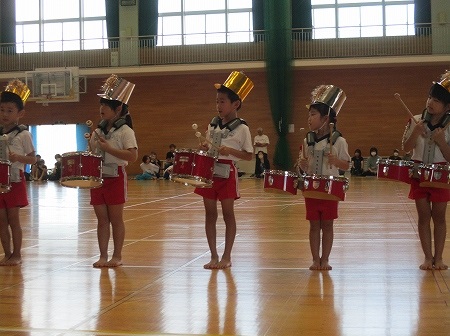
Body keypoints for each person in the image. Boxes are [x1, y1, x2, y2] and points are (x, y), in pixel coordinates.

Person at [194, 71, 254, 269]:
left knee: (228, 214)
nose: (218, 106)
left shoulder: (242, 128)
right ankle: (213, 255)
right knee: (210, 214)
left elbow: (249, 155)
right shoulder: (213, 125)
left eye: (222, 102)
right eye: (217, 102)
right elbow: (209, 146)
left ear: (235, 104)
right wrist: (205, 147)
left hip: (227, 173)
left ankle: (227, 256)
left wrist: (231, 151)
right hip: (209, 172)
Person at [297, 85, 350, 270]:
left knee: (327, 225)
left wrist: (336, 161)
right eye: (309, 115)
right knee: (313, 225)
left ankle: (325, 259)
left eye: (313, 114)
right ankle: (314, 259)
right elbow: (303, 165)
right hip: (312, 189)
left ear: (325, 118)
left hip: (329, 189)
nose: (309, 118)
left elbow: (348, 165)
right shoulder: (307, 140)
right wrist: (302, 167)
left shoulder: (339, 141)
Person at [402, 70, 450, 270]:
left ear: (447, 107)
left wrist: (441, 142)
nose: (431, 102)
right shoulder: (415, 119)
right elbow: (405, 147)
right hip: (418, 172)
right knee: (423, 216)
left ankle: (439, 258)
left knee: (439, 217)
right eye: (430, 97)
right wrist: (415, 132)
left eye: (437, 100)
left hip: (440, 173)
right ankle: (427, 257)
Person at [89, 74, 138, 268]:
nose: (101, 109)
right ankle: (102, 255)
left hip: (115, 177)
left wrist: (109, 149)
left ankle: (117, 256)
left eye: (106, 105)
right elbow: (93, 152)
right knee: (102, 220)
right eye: (101, 105)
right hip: (98, 178)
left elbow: (132, 156)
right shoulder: (98, 130)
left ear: (118, 109)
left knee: (116, 219)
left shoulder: (126, 131)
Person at [0, 79, 37, 266]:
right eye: (2, 110)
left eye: (9, 110)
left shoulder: (24, 134)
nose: (4, 114)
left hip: (14, 180)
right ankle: (6, 254)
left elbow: (34, 159)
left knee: (13, 219)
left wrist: (18, 158)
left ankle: (17, 254)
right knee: (1, 220)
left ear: (20, 113)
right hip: (0, 181)